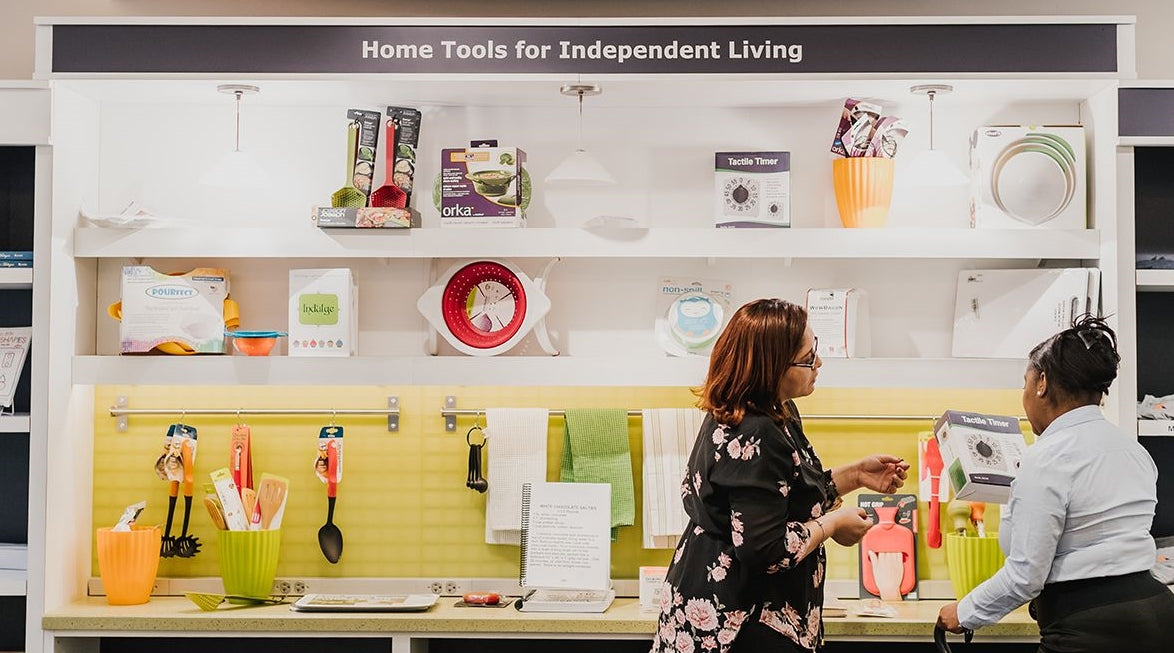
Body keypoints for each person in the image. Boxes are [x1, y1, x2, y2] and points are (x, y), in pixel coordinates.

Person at [650, 298, 910, 653]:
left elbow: (782, 496)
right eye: (807, 358)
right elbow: (764, 549)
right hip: (741, 623)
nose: (818, 363)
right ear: (772, 367)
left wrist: (856, 475)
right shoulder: (754, 431)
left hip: (734, 606)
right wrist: (833, 525)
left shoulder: (772, 411)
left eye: (814, 349)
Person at [937, 315, 1174, 652]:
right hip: (1159, 617)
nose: (1024, 395)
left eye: (1024, 382)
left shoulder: (1046, 459)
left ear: (1042, 383)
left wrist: (963, 612)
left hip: (1091, 629)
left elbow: (1025, 576)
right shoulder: (1132, 451)